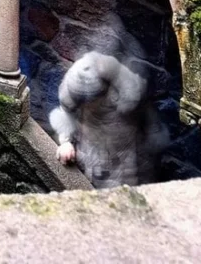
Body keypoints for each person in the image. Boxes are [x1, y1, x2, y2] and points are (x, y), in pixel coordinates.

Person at [50, 50, 169, 188]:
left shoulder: (128, 91)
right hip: (90, 149)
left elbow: (147, 111)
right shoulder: (77, 81)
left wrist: (153, 134)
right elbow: (67, 111)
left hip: (125, 154)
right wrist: (66, 142)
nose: (85, 104)